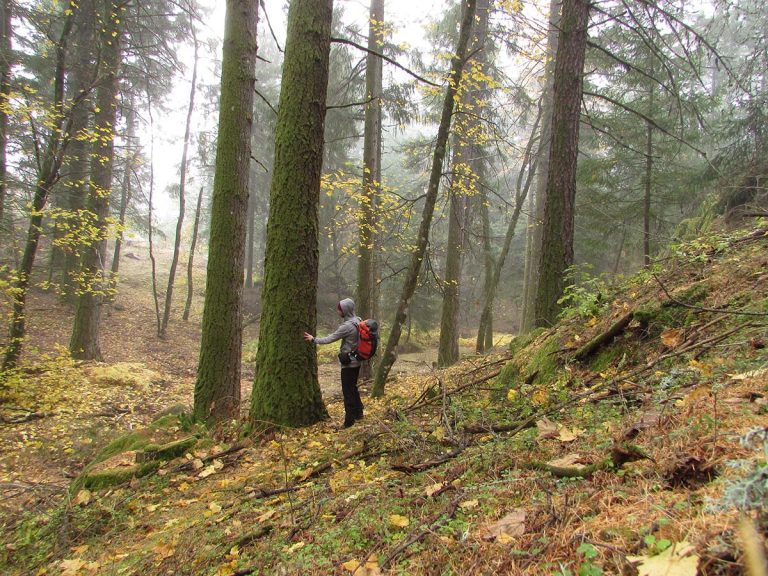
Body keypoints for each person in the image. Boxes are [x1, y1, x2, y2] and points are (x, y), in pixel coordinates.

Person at [304, 298, 364, 428]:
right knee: (353, 388)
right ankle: (359, 413)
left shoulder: (347, 326)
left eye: (340, 309)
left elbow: (330, 338)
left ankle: (349, 421)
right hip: (357, 361)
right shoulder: (358, 320)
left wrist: (314, 339)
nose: (338, 311)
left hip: (349, 363)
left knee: (348, 391)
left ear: (346, 310)